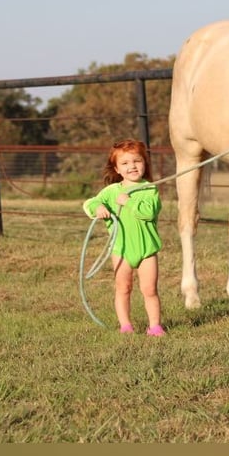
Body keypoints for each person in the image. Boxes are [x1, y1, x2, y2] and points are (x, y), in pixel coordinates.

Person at [82, 139, 165, 336]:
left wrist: (128, 202)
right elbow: (89, 204)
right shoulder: (111, 191)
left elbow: (148, 213)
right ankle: (125, 326)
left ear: (144, 163)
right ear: (117, 169)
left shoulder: (149, 189)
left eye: (137, 161)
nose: (132, 166)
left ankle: (154, 326)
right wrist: (98, 207)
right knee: (123, 287)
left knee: (149, 289)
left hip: (147, 249)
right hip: (121, 249)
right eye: (125, 163)